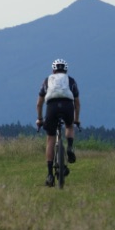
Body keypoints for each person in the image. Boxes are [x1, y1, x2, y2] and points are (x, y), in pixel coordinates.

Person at [36, 58, 81, 187]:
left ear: (53, 70)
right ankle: (70, 147)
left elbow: (39, 103)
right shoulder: (71, 81)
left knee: (50, 139)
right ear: (65, 70)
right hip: (67, 106)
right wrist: (76, 119)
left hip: (52, 107)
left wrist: (39, 119)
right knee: (69, 126)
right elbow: (77, 103)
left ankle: (50, 175)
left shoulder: (47, 81)